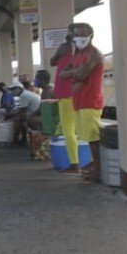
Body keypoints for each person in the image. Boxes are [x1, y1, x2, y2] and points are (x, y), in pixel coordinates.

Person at [65, 23, 105, 181]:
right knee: (88, 136)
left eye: (83, 35)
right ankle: (95, 164)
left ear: (91, 36)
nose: (79, 38)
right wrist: (76, 73)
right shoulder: (78, 55)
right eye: (76, 35)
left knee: (94, 137)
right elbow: (63, 73)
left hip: (91, 101)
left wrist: (74, 74)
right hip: (79, 100)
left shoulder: (94, 55)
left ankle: (99, 169)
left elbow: (80, 75)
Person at [50, 29, 79, 172]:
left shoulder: (64, 47)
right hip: (78, 93)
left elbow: (51, 61)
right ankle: (90, 162)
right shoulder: (83, 53)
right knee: (82, 130)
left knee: (68, 131)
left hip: (66, 94)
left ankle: (75, 164)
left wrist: (59, 54)